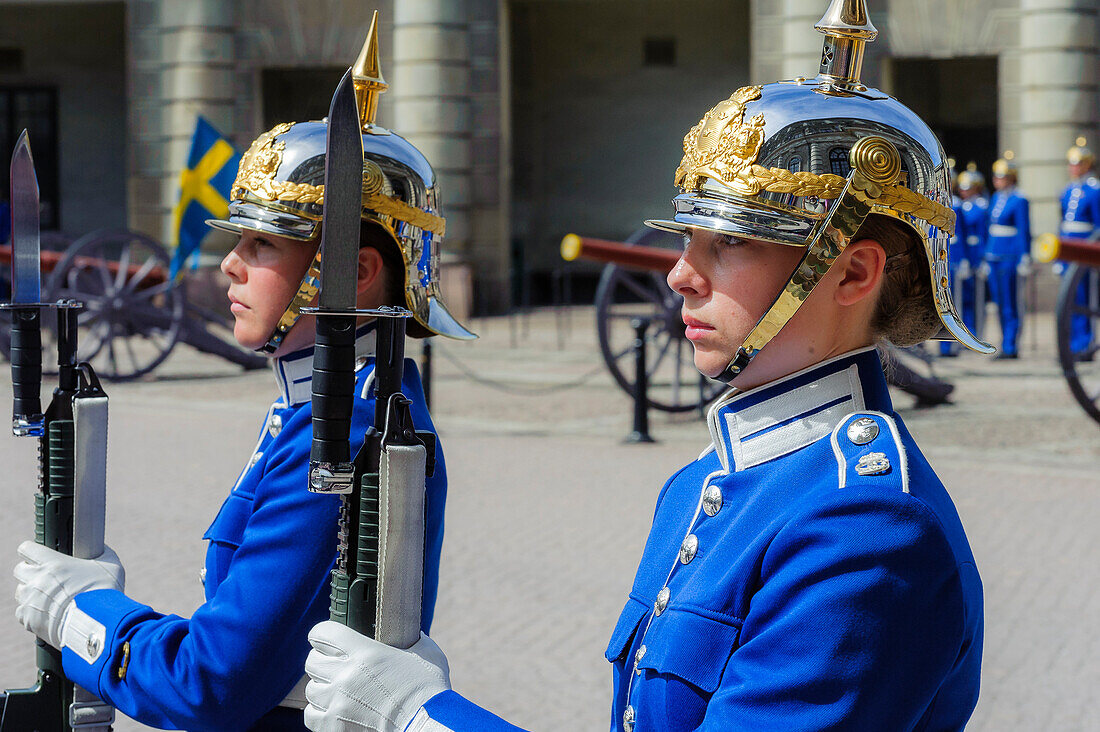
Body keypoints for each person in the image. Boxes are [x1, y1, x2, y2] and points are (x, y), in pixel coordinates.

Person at [300, 2, 987, 730]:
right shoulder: (712, 480)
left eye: (730, 244)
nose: (680, 276)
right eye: (689, 239)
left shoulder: (869, 527)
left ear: (852, 274)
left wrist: (422, 717)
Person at [12, 20, 475, 731]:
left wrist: (81, 613)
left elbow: (214, 684)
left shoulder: (347, 428)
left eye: (263, 243)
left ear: (351, 271)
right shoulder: (331, 406)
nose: (230, 263)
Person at [984, 151, 1031, 359]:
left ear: (1011, 178)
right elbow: (989, 228)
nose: (997, 181)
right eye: (995, 177)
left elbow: (1023, 230)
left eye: (1001, 177)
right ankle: (1004, 342)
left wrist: (1025, 256)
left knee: (1011, 302)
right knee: (999, 302)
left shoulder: (1019, 199)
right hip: (994, 255)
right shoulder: (995, 198)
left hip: (1010, 256)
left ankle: (1011, 345)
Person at [1057, 138, 1100, 360]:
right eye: (1071, 164)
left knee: (1085, 300)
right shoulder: (1067, 190)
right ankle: (1071, 344)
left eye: (1077, 164)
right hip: (1069, 248)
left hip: (1085, 247)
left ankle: (1084, 344)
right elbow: (1062, 223)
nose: (1073, 168)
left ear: (1086, 165)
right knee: (1069, 301)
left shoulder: (1095, 189)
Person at [940, 163, 989, 356]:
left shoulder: (958, 206)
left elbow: (960, 236)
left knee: (962, 301)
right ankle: (947, 344)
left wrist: (964, 260)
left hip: (957, 257)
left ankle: (963, 339)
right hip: (944, 257)